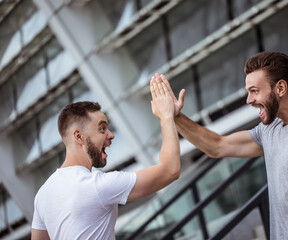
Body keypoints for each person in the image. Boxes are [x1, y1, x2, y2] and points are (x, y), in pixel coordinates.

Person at [157, 52, 288, 240]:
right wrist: (174, 116)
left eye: (255, 91)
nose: (249, 100)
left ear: (280, 88)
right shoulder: (269, 129)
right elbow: (217, 146)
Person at [31, 75, 180, 240]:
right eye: (102, 129)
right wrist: (167, 115)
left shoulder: (43, 194)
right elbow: (170, 170)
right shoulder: (96, 186)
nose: (111, 135)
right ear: (79, 137)